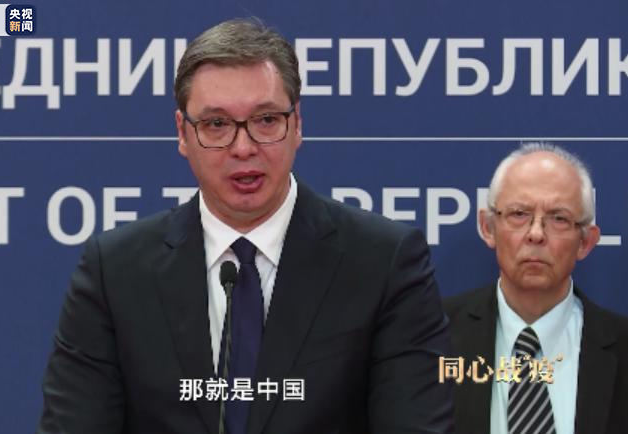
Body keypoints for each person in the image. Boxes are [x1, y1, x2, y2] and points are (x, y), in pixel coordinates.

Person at [39, 18, 452, 434]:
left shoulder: (383, 263)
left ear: (297, 124)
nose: (243, 147)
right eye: (217, 125)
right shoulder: (115, 272)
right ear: (183, 133)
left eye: (266, 119)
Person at [445, 143, 628, 434]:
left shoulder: (622, 346)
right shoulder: (433, 337)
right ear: (488, 228)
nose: (536, 234)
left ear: (585, 242)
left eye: (559, 218)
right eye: (519, 213)